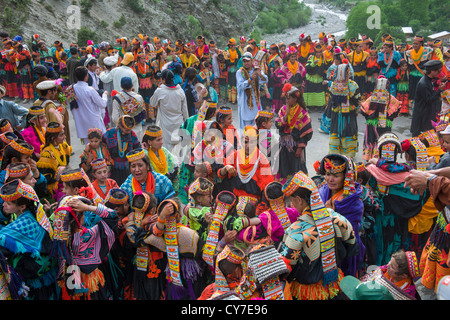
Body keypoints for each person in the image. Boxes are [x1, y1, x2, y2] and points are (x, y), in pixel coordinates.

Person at [279, 170, 358, 300]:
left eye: (292, 200)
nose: (292, 204)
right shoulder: (336, 217)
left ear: (299, 200)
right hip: (334, 284)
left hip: (307, 292)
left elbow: (287, 266)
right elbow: (351, 244)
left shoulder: (296, 231)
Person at [365, 132, 428, 266]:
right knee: (387, 243)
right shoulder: (405, 173)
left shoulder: (373, 169)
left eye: (390, 149)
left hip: (385, 217)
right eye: (386, 149)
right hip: (390, 217)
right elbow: (417, 197)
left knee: (384, 244)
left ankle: (384, 269)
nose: (388, 153)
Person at [52, 195, 118, 300]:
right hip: (89, 279)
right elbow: (112, 215)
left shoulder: (58, 237)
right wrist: (88, 207)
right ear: (80, 217)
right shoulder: (88, 235)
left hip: (69, 277)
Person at [0, 179, 57, 300]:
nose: (4, 205)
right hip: (44, 277)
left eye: (8, 203)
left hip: (33, 283)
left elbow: (3, 245)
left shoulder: (23, 224)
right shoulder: (36, 214)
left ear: (22, 206)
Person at [318, 154, 364, 277]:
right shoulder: (322, 192)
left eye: (336, 176)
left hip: (343, 251)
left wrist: (330, 215)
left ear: (346, 177)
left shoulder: (353, 204)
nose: (330, 179)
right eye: (328, 174)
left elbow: (346, 233)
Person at [275, 86, 313, 183]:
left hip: (297, 145)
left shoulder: (302, 113)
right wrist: (286, 114)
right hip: (284, 144)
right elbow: (278, 125)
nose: (286, 100)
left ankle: (297, 188)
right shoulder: (283, 110)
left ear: (295, 99)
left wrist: (300, 148)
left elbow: (307, 133)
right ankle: (285, 187)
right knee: (284, 165)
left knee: (297, 166)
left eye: (289, 98)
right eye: (286, 98)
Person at [360, 75, 402, 160]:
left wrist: (370, 116)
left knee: (372, 139)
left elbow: (363, 110)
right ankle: (382, 158)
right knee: (383, 140)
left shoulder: (372, 98)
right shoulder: (390, 98)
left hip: (372, 124)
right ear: (387, 85)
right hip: (385, 124)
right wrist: (389, 117)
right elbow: (396, 109)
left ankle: (370, 157)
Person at [149, 69, 188, 152]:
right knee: (178, 146)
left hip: (165, 124)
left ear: (163, 80)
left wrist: (158, 88)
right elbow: (185, 110)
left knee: (167, 148)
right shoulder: (180, 91)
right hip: (178, 122)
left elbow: (152, 103)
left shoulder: (160, 91)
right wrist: (187, 123)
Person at [328, 63, 361, 158]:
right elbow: (357, 100)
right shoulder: (353, 85)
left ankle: (335, 151)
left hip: (337, 113)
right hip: (349, 114)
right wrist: (356, 110)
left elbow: (331, 100)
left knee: (336, 130)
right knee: (348, 131)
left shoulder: (334, 84)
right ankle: (348, 153)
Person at [71, 66, 108, 143]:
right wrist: (105, 95)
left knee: (88, 145)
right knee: (99, 145)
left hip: (82, 122)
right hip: (93, 121)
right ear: (86, 76)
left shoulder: (72, 89)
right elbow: (102, 104)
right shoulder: (89, 90)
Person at [410, 60, 446, 137]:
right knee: (419, 139)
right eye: (438, 71)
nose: (439, 73)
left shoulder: (429, 80)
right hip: (422, 115)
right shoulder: (423, 83)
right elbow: (429, 99)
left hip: (426, 114)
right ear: (432, 71)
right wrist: (439, 90)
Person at [103, 115, 141, 186]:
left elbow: (138, 148)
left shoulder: (132, 134)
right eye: (126, 130)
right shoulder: (110, 133)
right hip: (112, 167)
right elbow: (101, 145)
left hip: (127, 167)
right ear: (120, 126)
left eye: (130, 130)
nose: (129, 132)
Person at [36, 122, 72, 196]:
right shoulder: (47, 153)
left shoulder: (64, 147)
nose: (64, 137)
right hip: (56, 185)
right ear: (53, 138)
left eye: (64, 134)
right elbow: (47, 178)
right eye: (61, 135)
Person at [236, 52, 268, 129]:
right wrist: (250, 79)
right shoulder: (240, 72)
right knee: (246, 128)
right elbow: (241, 86)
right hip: (245, 103)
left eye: (247, 61)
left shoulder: (256, 70)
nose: (246, 63)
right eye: (244, 61)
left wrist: (260, 74)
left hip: (255, 104)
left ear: (252, 61)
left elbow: (265, 79)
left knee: (257, 123)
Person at [405, 35, 433, 106]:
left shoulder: (428, 51)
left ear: (421, 44)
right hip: (413, 76)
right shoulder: (408, 53)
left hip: (423, 76)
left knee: (423, 93)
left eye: (416, 44)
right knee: (413, 92)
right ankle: (414, 110)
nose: (414, 45)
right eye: (413, 43)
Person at [303, 44, 330, 110]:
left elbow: (325, 68)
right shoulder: (311, 58)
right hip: (311, 78)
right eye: (317, 52)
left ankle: (320, 106)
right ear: (315, 52)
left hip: (319, 78)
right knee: (311, 92)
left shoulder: (323, 59)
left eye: (320, 52)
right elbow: (307, 68)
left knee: (319, 93)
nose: (318, 54)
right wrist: (313, 64)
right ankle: (310, 106)